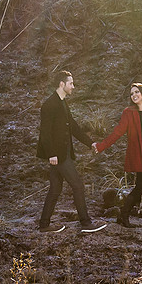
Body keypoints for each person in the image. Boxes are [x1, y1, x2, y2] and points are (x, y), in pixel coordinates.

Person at [92, 82, 142, 229]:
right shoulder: (129, 112)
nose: (134, 95)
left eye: (136, 92)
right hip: (141, 156)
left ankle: (123, 214)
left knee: (141, 186)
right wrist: (101, 146)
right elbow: (118, 132)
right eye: (132, 94)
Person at [36, 71, 105, 233]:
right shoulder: (49, 104)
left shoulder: (62, 103)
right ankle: (86, 223)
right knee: (78, 185)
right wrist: (51, 154)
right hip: (58, 155)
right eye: (71, 83)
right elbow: (44, 133)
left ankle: (44, 225)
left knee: (55, 188)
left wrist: (90, 143)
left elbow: (73, 127)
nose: (73, 87)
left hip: (63, 153)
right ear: (62, 84)